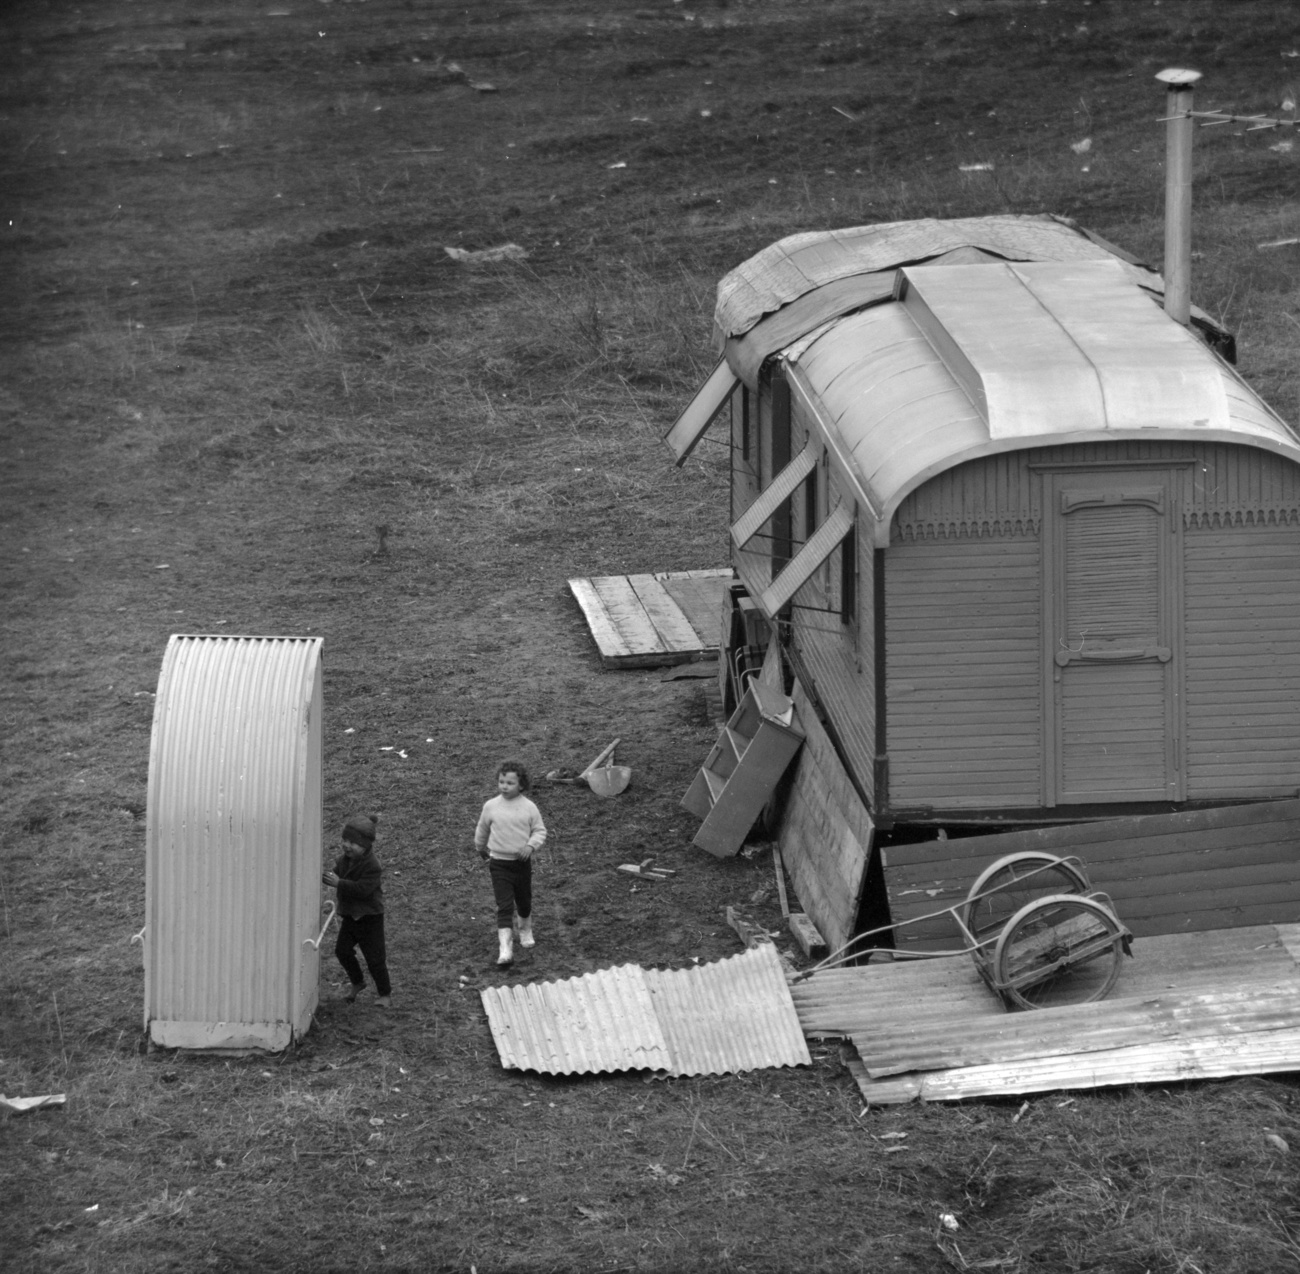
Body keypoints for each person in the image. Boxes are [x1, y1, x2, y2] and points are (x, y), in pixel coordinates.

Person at [474, 761, 547, 967]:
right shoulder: (491, 806)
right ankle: (505, 949)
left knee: (524, 900)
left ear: (521, 785)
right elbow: (482, 828)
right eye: (501, 782)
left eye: (510, 783)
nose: (504, 786)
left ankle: (525, 930)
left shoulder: (529, 807)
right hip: (499, 863)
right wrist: (480, 847)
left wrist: (530, 846)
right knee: (504, 906)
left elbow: (539, 830)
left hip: (521, 863)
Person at [323, 814, 392, 1007]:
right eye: (345, 840)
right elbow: (335, 873)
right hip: (351, 917)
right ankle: (357, 982)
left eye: (353, 842)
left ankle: (385, 994)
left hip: (370, 918)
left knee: (375, 959)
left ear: (366, 845)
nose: (346, 845)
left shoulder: (373, 866)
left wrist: (339, 883)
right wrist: (325, 876)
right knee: (342, 951)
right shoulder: (345, 860)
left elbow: (362, 890)